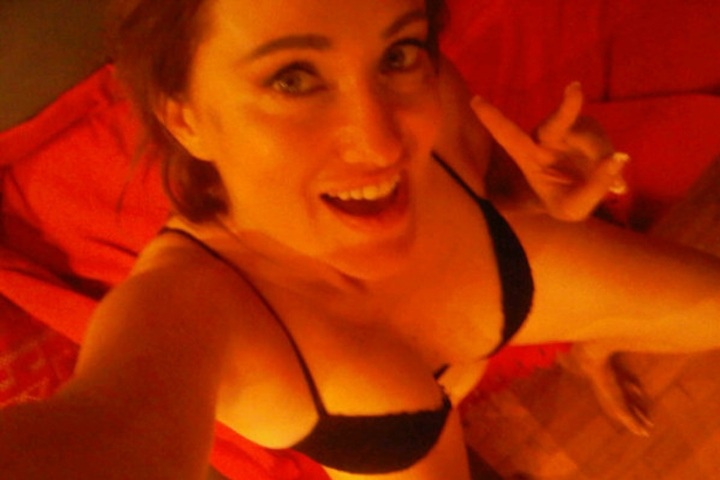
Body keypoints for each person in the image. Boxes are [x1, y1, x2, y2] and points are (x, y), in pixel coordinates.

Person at [1, 0, 718, 479]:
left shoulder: (431, 91)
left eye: (397, 54)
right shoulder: (188, 304)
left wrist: (540, 187)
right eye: (293, 78)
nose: (381, 145)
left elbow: (488, 179)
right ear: (184, 117)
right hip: (392, 437)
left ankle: (591, 343)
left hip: (514, 273)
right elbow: (109, 433)